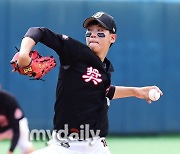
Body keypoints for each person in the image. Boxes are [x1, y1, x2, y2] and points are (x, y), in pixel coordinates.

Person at [16, 11, 163, 154]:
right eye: (89, 31)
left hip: (98, 146)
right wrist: (23, 53)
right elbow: (38, 31)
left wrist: (137, 92)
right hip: (65, 146)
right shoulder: (75, 52)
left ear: (112, 38)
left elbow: (104, 91)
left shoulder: (105, 68)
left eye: (100, 31)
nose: (93, 34)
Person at [0, 87, 35, 154]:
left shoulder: (9, 100)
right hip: (2, 127)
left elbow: (16, 130)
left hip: (17, 125)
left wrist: (11, 151)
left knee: (27, 149)